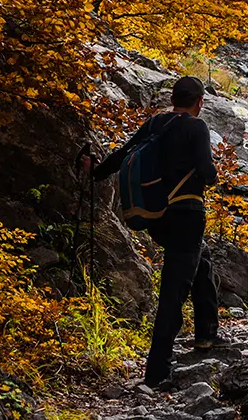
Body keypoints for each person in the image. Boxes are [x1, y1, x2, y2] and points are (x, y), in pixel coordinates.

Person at [87, 75, 224, 387]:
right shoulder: (196, 126)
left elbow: (123, 155)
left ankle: (206, 334)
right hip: (187, 214)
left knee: (200, 263)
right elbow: (207, 172)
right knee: (174, 291)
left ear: (173, 98)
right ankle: (157, 372)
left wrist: (96, 172)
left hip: (158, 217)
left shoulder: (156, 123)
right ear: (199, 102)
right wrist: (211, 177)